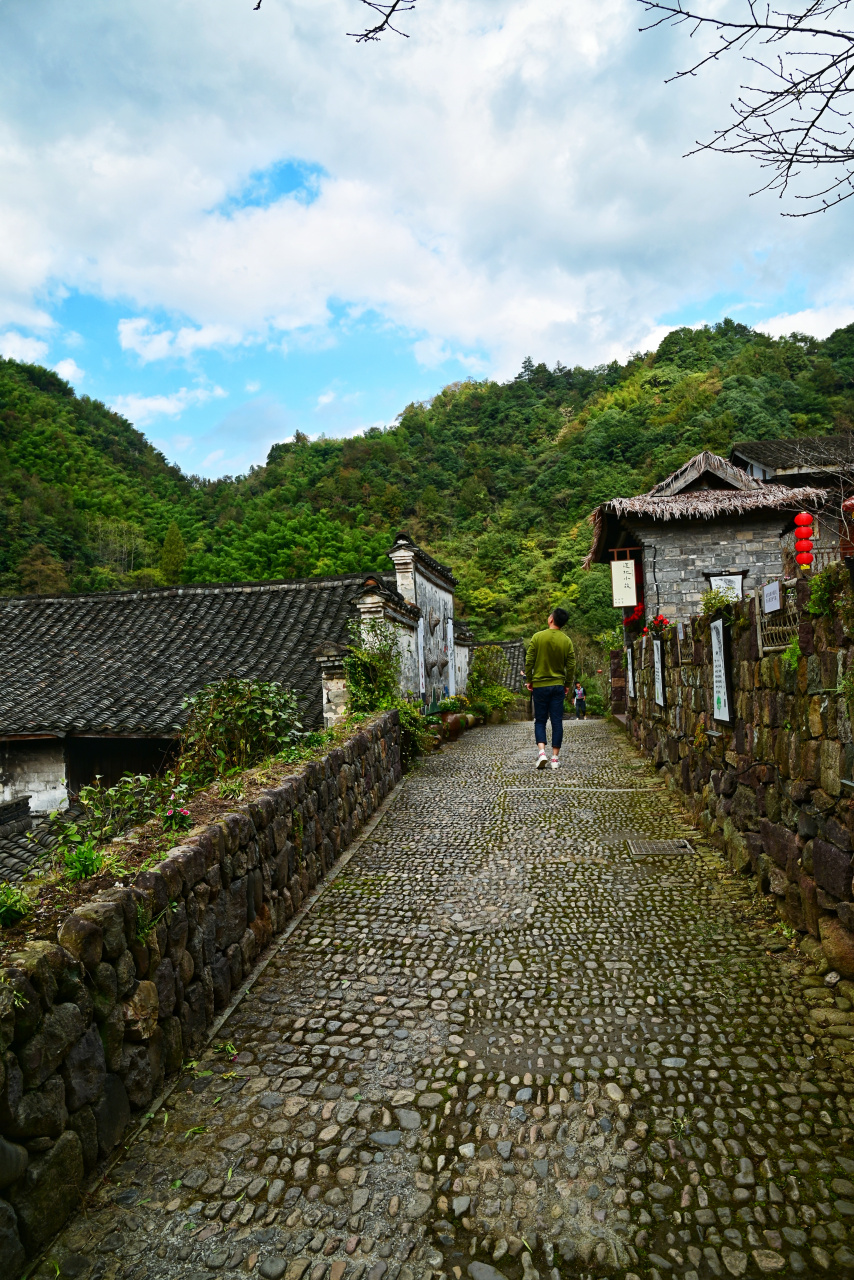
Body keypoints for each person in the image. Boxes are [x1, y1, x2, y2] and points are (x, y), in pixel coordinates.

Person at [524, 608, 576, 770]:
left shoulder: (537, 637)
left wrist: (530, 680)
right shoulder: (566, 641)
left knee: (540, 720)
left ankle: (541, 753)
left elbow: (529, 660)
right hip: (558, 686)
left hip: (540, 685)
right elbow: (571, 665)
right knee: (556, 721)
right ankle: (554, 758)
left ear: (551, 620)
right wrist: (567, 683)